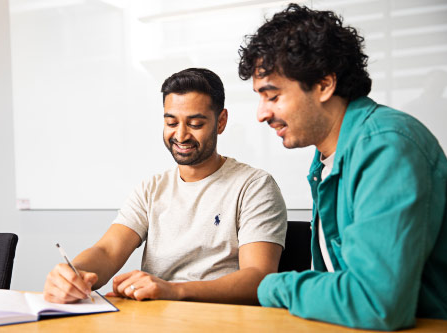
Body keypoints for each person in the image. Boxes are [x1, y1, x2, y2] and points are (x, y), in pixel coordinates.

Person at [238, 3, 447, 330]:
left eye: (273, 95)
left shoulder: (387, 146)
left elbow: (375, 302)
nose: (261, 113)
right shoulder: (327, 158)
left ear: (324, 84)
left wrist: (269, 284)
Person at [43, 68, 287, 305]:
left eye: (195, 124)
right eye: (171, 122)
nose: (181, 135)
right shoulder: (152, 188)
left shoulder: (254, 186)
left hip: (219, 320)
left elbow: (259, 278)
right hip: (156, 318)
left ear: (221, 122)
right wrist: (75, 274)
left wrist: (172, 290)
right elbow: (107, 251)